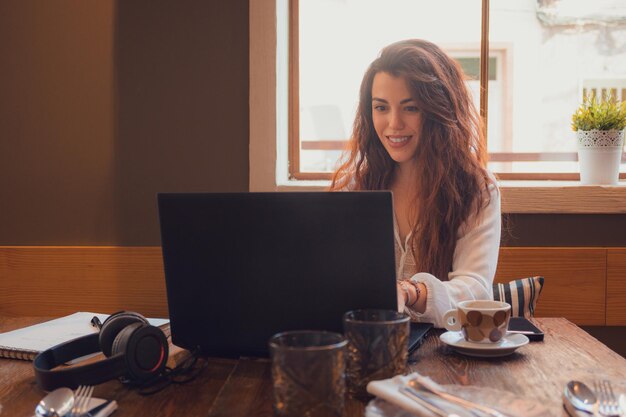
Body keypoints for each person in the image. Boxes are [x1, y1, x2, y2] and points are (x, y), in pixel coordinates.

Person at [329, 39, 501, 328]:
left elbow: (475, 289)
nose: (393, 123)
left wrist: (410, 292)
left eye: (410, 108)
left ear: (438, 110)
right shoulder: (354, 186)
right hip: (369, 345)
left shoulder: (476, 188)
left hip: (444, 355)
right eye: (381, 108)